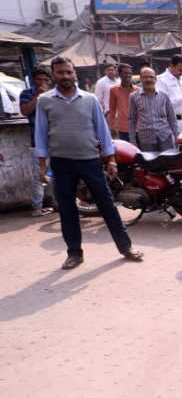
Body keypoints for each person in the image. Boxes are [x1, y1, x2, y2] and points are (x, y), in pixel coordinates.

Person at [34, 56, 143, 269]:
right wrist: (41, 165)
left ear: (74, 74)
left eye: (69, 72)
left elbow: (102, 131)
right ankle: (74, 253)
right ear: (53, 75)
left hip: (90, 161)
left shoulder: (89, 99)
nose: (65, 76)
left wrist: (110, 159)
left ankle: (125, 247)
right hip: (61, 163)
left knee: (108, 205)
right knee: (67, 209)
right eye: (60, 72)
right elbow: (40, 133)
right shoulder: (45, 101)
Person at [18, 65, 54, 217]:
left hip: (56, 139)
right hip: (37, 141)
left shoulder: (54, 94)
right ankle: (37, 207)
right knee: (39, 175)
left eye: (45, 80)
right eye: (39, 79)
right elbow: (25, 111)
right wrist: (38, 97)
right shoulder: (26, 93)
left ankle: (58, 204)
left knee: (57, 174)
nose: (42, 82)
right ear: (34, 80)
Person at [129, 67, 178, 152]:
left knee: (167, 163)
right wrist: (133, 141)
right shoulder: (134, 97)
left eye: (151, 77)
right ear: (140, 79)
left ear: (155, 79)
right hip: (146, 139)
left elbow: (172, 118)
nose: (148, 79)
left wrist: (177, 136)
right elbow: (132, 120)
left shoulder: (164, 96)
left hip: (165, 137)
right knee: (150, 164)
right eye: (145, 77)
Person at [156, 55, 182, 129]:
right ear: (171, 66)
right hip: (173, 122)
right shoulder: (161, 80)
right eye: (180, 70)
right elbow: (163, 104)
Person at [106, 64, 137, 142]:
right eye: (125, 73)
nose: (128, 75)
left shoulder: (138, 90)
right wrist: (112, 126)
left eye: (130, 73)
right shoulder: (114, 90)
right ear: (119, 74)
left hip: (138, 128)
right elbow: (112, 110)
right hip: (123, 128)